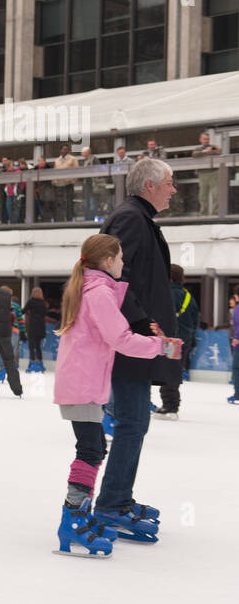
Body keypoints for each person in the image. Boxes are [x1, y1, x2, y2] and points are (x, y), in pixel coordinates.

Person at [52, 234, 181, 555]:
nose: (124, 263)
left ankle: (79, 515)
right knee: (91, 450)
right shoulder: (98, 293)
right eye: (121, 258)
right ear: (108, 262)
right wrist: (160, 347)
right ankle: (72, 518)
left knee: (93, 448)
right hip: (82, 384)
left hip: (83, 382)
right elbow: (120, 338)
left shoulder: (96, 289)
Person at [95, 158, 178, 538]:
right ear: (150, 185)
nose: (174, 190)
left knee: (135, 424)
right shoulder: (130, 219)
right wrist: (143, 323)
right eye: (170, 183)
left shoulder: (139, 219)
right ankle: (112, 505)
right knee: (132, 423)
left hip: (137, 339)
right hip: (129, 342)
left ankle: (118, 498)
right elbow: (115, 277)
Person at [155, 263, 199, 419]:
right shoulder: (188, 296)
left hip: (168, 340)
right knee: (175, 371)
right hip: (184, 340)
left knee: (167, 372)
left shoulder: (164, 294)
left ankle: (170, 407)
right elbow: (195, 320)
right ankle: (172, 405)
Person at [193, 132, 221, 216]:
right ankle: (204, 213)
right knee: (203, 195)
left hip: (214, 173)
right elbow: (195, 155)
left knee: (216, 194)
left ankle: (215, 212)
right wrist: (206, 151)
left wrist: (215, 150)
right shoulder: (198, 148)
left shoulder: (212, 147)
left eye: (207, 139)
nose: (206, 140)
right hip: (202, 174)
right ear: (200, 140)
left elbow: (219, 152)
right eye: (204, 139)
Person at [25, 287, 49, 372]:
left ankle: (32, 363)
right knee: (38, 346)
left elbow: (24, 310)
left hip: (33, 326)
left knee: (31, 346)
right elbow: (45, 314)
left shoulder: (31, 301)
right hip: (41, 326)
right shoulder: (43, 303)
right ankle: (40, 364)